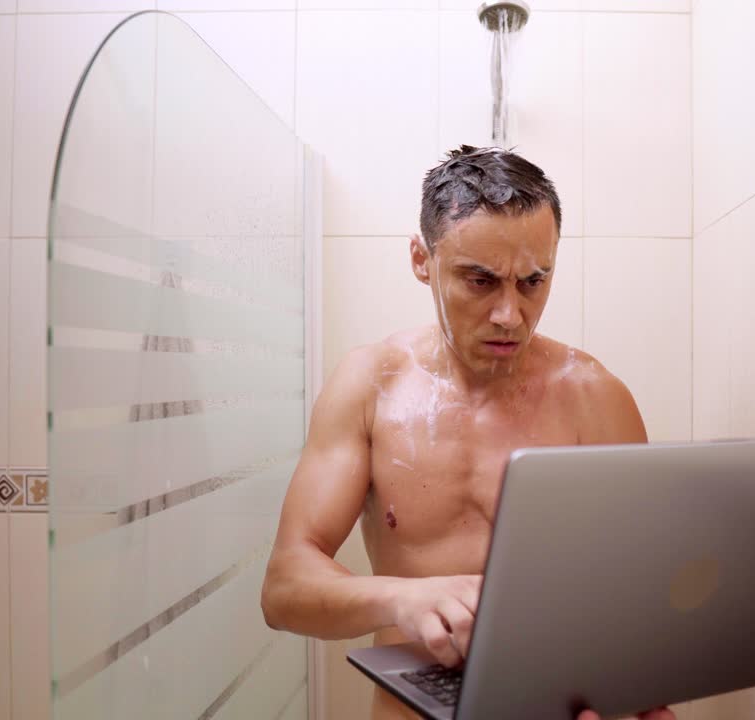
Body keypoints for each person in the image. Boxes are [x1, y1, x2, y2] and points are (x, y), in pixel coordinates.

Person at [261, 145, 674, 720]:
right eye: (480, 281)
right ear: (420, 259)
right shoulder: (369, 386)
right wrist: (407, 598)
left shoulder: (595, 397)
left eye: (533, 281)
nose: (510, 314)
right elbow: (285, 589)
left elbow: (652, 593)